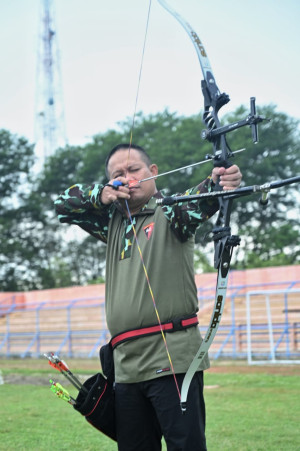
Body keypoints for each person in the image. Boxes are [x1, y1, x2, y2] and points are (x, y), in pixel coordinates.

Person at [55, 143, 242, 451]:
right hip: (126, 367)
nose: (126, 178)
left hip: (172, 359)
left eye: (134, 170)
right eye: (118, 174)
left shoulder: (173, 211)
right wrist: (100, 196)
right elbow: (62, 204)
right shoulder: (112, 222)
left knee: (186, 446)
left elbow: (211, 192)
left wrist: (224, 179)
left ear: (153, 172)